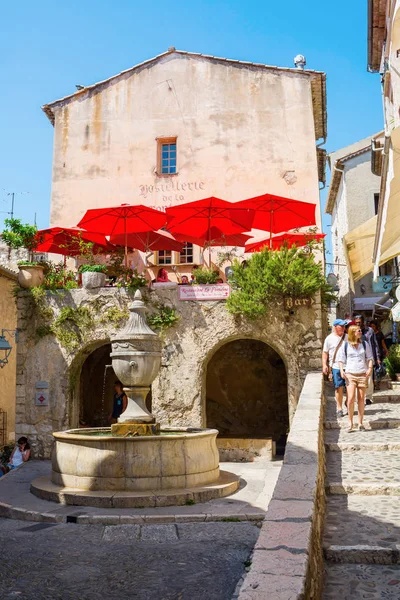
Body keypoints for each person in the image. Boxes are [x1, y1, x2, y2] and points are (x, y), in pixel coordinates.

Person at [339, 325, 373, 432]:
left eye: (360, 330)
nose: (360, 332)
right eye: (358, 331)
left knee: (362, 398)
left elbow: (370, 358)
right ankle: (350, 422)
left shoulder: (364, 344)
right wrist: (341, 370)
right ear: (353, 333)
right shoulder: (345, 345)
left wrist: (370, 369)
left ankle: (360, 423)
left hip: (362, 374)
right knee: (351, 398)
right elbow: (341, 360)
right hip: (350, 374)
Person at [322, 319, 346, 417]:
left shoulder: (348, 337)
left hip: (348, 366)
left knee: (349, 388)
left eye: (344, 326)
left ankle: (348, 402)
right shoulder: (329, 338)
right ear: (335, 326)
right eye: (341, 326)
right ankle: (339, 408)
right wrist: (324, 364)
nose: (344, 328)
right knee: (338, 388)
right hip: (336, 366)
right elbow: (325, 352)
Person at [354, 315, 380, 403]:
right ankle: (360, 397)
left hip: (369, 356)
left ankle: (368, 397)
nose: (358, 324)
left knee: (369, 378)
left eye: (359, 322)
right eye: (356, 322)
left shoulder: (370, 331)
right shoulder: (353, 331)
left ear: (363, 322)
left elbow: (375, 344)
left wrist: (377, 357)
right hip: (358, 357)